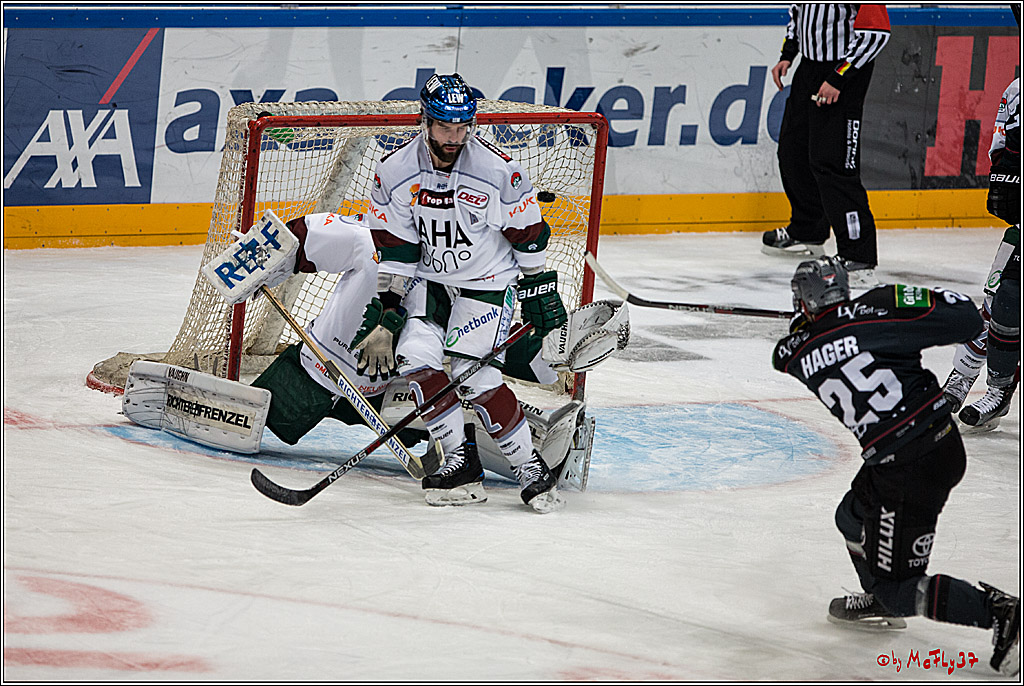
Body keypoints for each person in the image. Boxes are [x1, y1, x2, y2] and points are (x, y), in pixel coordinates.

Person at [249, 211, 627, 489]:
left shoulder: (466, 284)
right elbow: (299, 236)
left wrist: (551, 353)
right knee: (271, 416)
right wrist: (252, 258)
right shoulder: (372, 241)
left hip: (389, 398)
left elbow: (493, 346)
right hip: (315, 371)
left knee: (450, 397)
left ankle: (539, 454)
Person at [772, 256, 1020, 677]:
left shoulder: (799, 349)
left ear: (806, 302)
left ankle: (1001, 615)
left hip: (912, 465)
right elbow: (965, 318)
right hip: (921, 449)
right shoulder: (879, 311)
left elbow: (785, 352)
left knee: (903, 590)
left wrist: (815, 325)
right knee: (850, 517)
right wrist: (890, 304)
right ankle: (880, 596)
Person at [359, 73, 571, 513]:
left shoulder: (497, 170)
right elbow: (397, 250)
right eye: (444, 127)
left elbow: (528, 235)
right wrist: (387, 318)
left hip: (487, 283)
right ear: (425, 120)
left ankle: (531, 468)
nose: (454, 138)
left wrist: (537, 287)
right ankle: (461, 462)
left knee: (471, 374)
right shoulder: (395, 172)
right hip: (430, 281)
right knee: (415, 360)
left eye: (462, 128)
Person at [761, 4, 891, 289]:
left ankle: (858, 254)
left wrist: (838, 77)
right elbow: (797, 13)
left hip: (844, 71)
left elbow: (876, 34)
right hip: (809, 67)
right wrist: (788, 54)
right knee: (792, 153)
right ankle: (808, 228)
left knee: (834, 164)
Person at [943, 76, 1020, 431]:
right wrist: (1004, 176)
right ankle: (975, 381)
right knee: (1001, 298)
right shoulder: (1016, 90)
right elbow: (1002, 142)